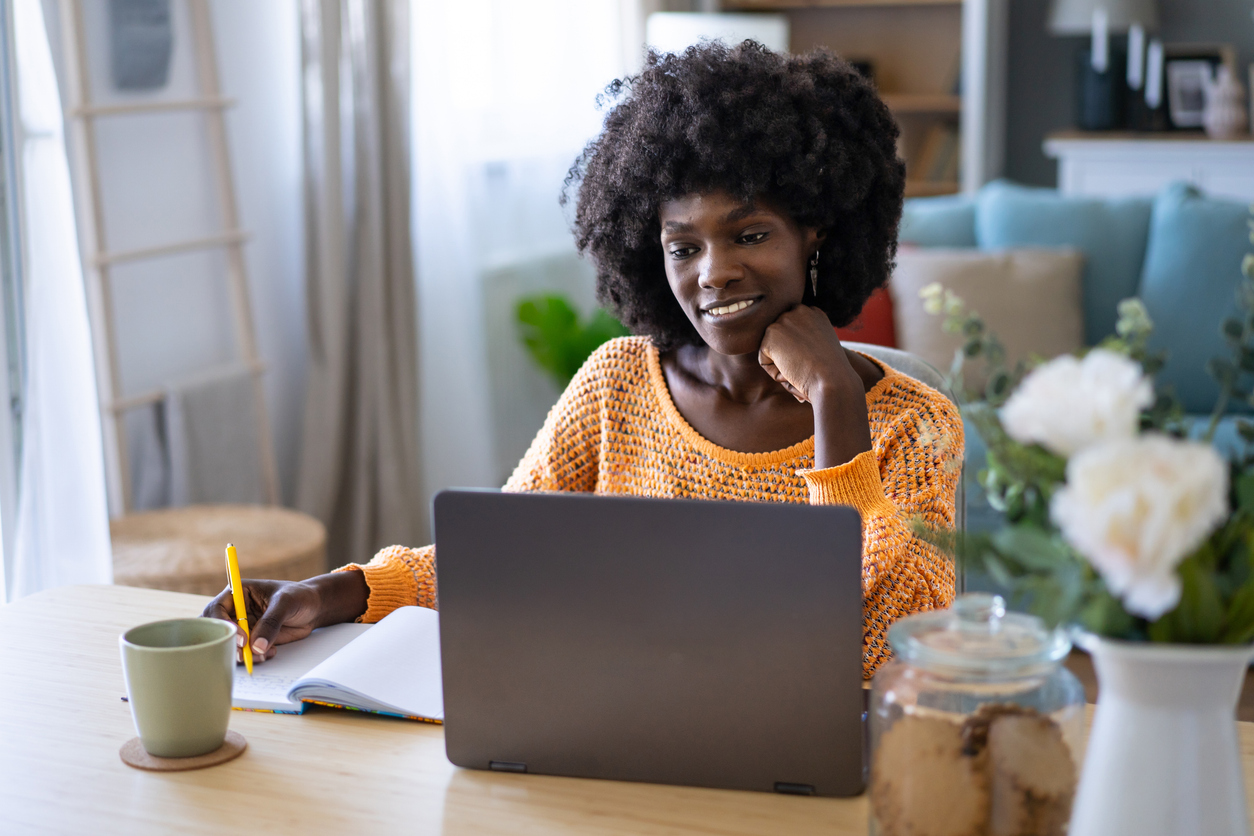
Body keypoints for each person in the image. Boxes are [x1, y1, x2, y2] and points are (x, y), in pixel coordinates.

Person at [206, 41, 963, 679]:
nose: (714, 273)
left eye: (751, 234)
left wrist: (835, 401)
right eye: (683, 247)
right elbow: (505, 553)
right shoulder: (618, 385)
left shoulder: (917, 427)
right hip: (619, 726)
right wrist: (330, 593)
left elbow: (886, 652)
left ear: (818, 233)